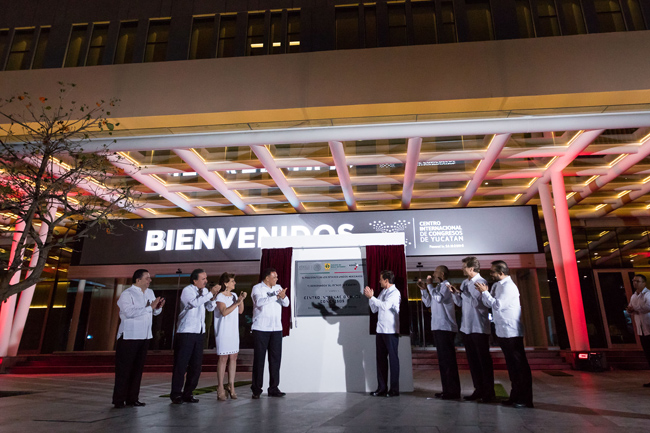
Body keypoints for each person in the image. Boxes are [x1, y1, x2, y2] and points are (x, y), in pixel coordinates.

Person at [476, 261, 533, 408]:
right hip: (502, 331)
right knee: (512, 367)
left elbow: (497, 305)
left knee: (519, 366)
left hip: (511, 331)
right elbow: (489, 304)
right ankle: (515, 395)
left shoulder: (509, 287)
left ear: (501, 273)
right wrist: (484, 293)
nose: (491, 274)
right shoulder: (497, 285)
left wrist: (485, 293)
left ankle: (525, 398)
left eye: (493, 272)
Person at [112, 269, 164, 408]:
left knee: (137, 369)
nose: (149, 280)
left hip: (145, 335)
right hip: (129, 336)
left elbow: (154, 312)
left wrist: (157, 308)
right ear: (138, 280)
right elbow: (129, 312)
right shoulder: (127, 294)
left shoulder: (150, 292)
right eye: (147, 278)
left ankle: (132, 398)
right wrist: (150, 307)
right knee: (124, 369)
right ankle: (119, 399)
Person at [170, 269, 220, 404]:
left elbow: (209, 308)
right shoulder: (187, 290)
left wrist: (212, 298)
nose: (206, 281)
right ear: (194, 280)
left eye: (206, 278)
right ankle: (176, 394)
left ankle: (188, 393)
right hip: (186, 331)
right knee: (181, 365)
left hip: (199, 332)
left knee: (196, 366)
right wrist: (210, 294)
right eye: (203, 279)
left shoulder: (205, 291)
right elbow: (194, 303)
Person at [454, 256, 495, 403]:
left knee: (483, 361)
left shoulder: (481, 282)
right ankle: (478, 389)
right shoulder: (465, 282)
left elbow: (476, 303)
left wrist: (462, 293)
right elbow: (460, 303)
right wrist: (455, 293)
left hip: (479, 327)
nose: (462, 268)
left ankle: (488, 393)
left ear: (471, 268)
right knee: (472, 361)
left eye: (464, 266)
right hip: (467, 327)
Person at [418, 265, 461, 400]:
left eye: (435, 272)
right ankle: (446, 389)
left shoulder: (446, 286)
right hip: (437, 327)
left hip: (446, 327)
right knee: (442, 361)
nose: (433, 274)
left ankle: (453, 391)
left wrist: (429, 285)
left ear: (442, 274)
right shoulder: (437, 288)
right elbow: (428, 303)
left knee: (448, 361)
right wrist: (424, 290)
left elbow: (438, 298)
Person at [250, 267, 290, 399]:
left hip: (276, 329)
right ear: (267, 278)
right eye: (274, 277)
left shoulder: (278, 287)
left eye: (277, 277)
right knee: (259, 360)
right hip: (261, 328)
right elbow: (259, 302)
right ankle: (256, 389)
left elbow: (286, 303)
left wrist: (283, 297)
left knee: (275, 360)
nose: (277, 279)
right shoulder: (257, 288)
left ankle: (274, 388)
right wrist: (276, 296)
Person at [364, 270, 401, 397]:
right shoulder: (382, 292)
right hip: (380, 330)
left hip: (390, 331)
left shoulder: (395, 293)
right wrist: (371, 299)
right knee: (380, 360)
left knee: (393, 360)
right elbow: (374, 309)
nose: (379, 281)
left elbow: (385, 306)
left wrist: (372, 298)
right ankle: (382, 388)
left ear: (386, 280)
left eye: (381, 279)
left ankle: (394, 389)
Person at [214, 272, 247, 401]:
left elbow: (240, 311)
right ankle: (220, 387)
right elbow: (224, 312)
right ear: (225, 283)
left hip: (233, 330)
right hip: (223, 330)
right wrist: (236, 303)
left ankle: (231, 385)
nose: (235, 283)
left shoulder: (234, 295)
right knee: (223, 358)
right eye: (232, 281)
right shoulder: (220, 296)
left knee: (233, 357)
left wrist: (240, 300)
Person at [627, 274, 650, 387]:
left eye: (637, 281)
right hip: (641, 330)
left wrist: (635, 309)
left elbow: (648, 307)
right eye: (634, 281)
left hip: (648, 327)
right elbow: (630, 307)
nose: (635, 283)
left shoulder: (648, 294)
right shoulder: (634, 296)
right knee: (648, 355)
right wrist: (630, 310)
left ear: (644, 283)